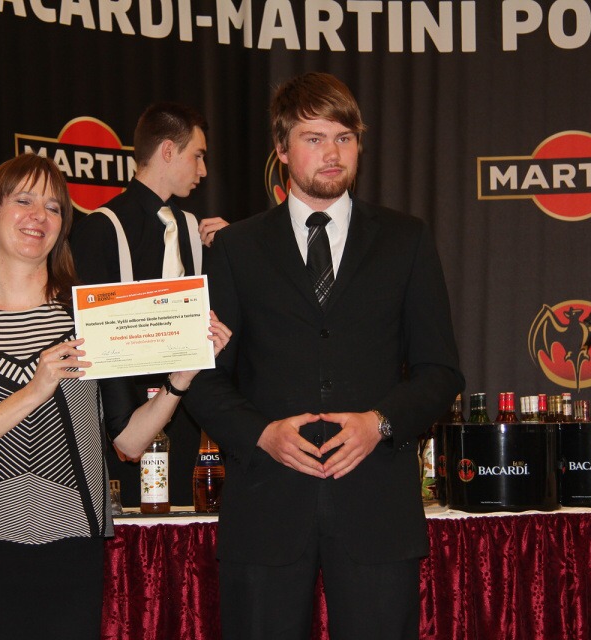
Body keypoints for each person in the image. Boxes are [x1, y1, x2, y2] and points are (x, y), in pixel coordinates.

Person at [182, 72, 464, 640]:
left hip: (375, 507)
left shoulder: (406, 239)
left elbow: (440, 372)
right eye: (314, 138)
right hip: (265, 506)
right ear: (282, 150)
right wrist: (262, 434)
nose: (332, 153)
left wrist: (379, 424)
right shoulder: (236, 247)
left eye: (344, 137)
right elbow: (204, 377)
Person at [0, 153, 230, 639]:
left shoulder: (89, 317)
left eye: (54, 207)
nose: (38, 216)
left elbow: (129, 442)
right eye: (23, 201)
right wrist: (35, 389)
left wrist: (180, 380)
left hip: (71, 549)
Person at [71, 102, 228, 507]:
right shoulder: (99, 229)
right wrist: (123, 427)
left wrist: (236, 249)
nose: (203, 170)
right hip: (121, 427)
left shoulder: (196, 231)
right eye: (198, 156)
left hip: (189, 424)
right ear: (168, 151)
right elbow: (92, 350)